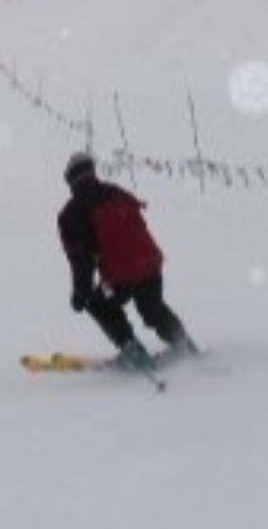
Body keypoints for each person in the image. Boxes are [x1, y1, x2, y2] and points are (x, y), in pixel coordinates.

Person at [56, 154, 194, 370]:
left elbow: (80, 258)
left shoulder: (71, 213)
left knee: (99, 304)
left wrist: (81, 292)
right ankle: (182, 343)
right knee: (152, 308)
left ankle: (133, 351)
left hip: (121, 275)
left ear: (70, 179)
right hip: (150, 263)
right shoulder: (117, 192)